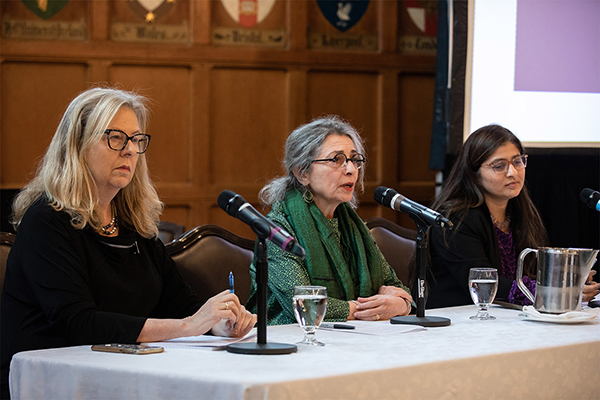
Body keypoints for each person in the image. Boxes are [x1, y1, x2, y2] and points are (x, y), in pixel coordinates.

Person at [0, 87, 256, 399]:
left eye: (136, 140)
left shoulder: (134, 224)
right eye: (116, 138)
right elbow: (79, 323)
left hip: (121, 373)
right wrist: (190, 325)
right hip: (56, 379)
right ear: (77, 145)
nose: (130, 151)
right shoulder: (46, 222)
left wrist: (218, 324)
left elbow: (180, 304)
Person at [245, 116, 413, 325]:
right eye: (337, 160)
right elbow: (304, 303)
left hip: (352, 337)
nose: (351, 169)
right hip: (290, 343)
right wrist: (367, 308)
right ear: (302, 172)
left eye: (354, 159)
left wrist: (401, 304)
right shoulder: (278, 229)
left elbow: (394, 285)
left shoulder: (351, 224)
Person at [426, 124, 600, 308]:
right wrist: (557, 291)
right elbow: (483, 282)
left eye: (517, 161)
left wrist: (566, 277)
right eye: (499, 166)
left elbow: (530, 273)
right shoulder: (455, 218)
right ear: (474, 174)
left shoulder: (520, 212)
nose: (513, 173)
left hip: (507, 317)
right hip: (457, 321)